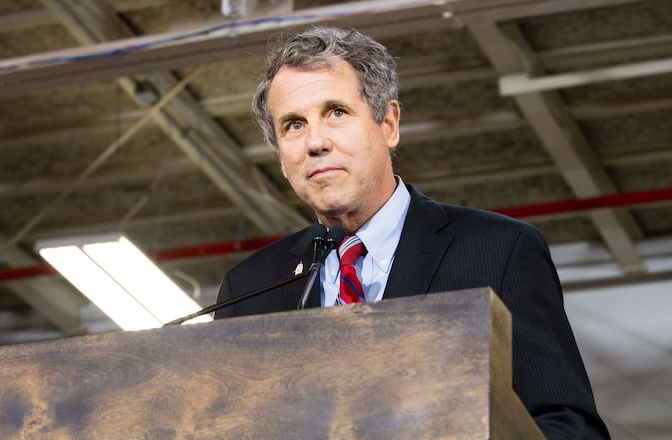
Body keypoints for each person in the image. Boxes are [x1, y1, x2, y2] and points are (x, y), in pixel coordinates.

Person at [215, 26, 610, 439]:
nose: (315, 142)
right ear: (280, 154)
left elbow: (569, 427)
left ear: (388, 123)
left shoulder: (499, 251)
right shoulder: (248, 291)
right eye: (293, 125)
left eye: (336, 112)